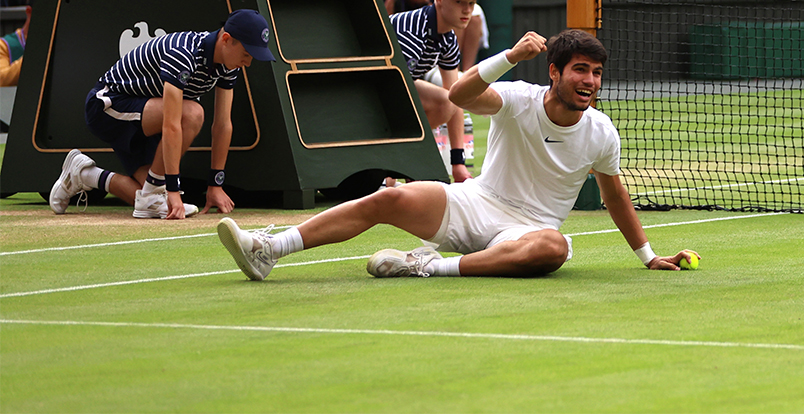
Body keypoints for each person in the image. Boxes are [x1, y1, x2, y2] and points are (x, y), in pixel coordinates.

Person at [218, 29, 699, 280]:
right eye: (580, 70)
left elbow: (615, 196)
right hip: (476, 203)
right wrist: (509, 57)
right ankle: (269, 250)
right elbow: (460, 96)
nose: (589, 81)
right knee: (387, 198)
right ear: (554, 72)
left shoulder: (601, 132)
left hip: (527, 231)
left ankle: (426, 266)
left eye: (595, 73)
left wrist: (647, 255)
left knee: (552, 248)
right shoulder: (519, 98)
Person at [49, 10, 271, 219]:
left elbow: (223, 124)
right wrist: (172, 189)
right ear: (225, 40)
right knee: (192, 113)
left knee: (148, 197)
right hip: (107, 107)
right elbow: (173, 123)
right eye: (246, 53)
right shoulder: (184, 53)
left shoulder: (229, 65)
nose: (249, 62)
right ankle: (158, 190)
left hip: (147, 118)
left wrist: (216, 184)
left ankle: (84, 174)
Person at [390, 0, 479, 184]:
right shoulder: (412, 33)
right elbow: (394, 96)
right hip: (366, 89)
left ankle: (402, 162)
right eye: (460, 2)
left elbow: (455, 97)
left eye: (471, 2)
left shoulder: (447, 39)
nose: (467, 10)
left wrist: (458, 163)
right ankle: (393, 166)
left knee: (448, 100)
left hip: (394, 87)